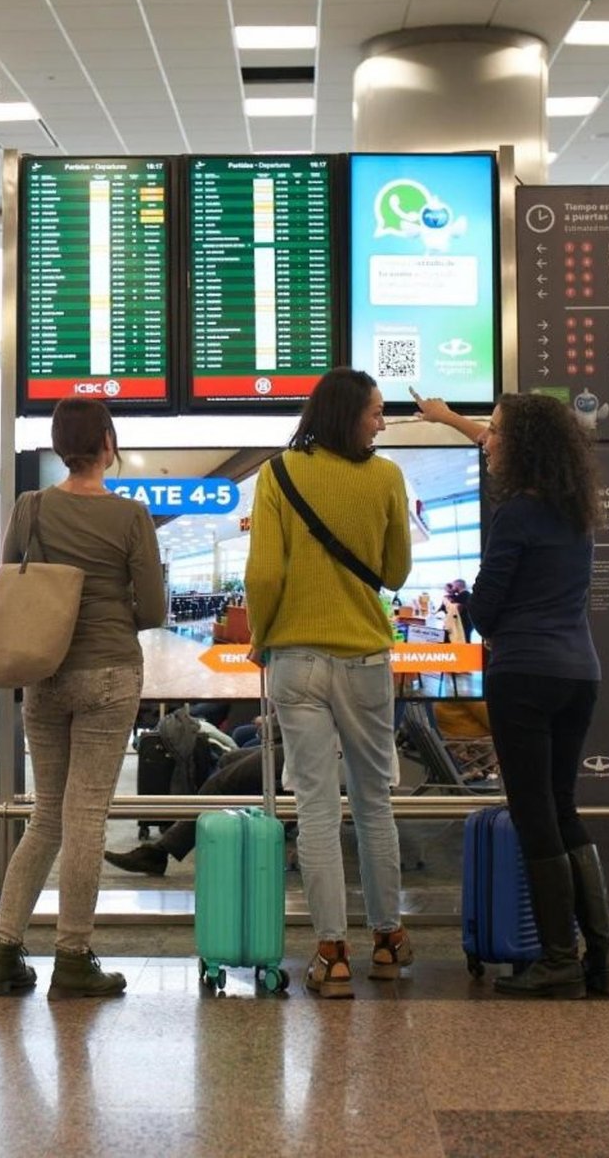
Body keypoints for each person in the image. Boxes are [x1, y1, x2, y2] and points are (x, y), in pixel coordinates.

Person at [420, 389, 609, 999]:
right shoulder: (574, 512)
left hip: (525, 676)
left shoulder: (517, 515)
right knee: (562, 809)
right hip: (579, 674)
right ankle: (603, 958)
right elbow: (489, 436)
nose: (490, 442)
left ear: (523, 445)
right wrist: (449, 419)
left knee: (534, 816)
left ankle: (559, 959)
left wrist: (462, 598)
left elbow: (488, 613)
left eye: (498, 433)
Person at [0, 398, 165, 1001]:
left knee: (47, 817)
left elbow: (11, 584)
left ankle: (3, 953)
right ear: (108, 442)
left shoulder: (31, 507)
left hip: (44, 674)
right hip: (108, 673)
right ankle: (73, 956)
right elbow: (153, 609)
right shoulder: (130, 516)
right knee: (85, 816)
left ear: (61, 446)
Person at [245, 368, 413, 999]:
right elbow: (395, 572)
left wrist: (262, 636)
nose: (382, 423)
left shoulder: (277, 474)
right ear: (348, 415)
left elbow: (264, 574)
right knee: (374, 804)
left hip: (296, 660)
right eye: (376, 412)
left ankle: (332, 954)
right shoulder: (387, 478)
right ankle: (388, 940)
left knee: (315, 808)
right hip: (366, 657)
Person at [103, 746, 284, 875]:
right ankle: (227, 835)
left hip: (297, 749)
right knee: (227, 759)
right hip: (288, 740)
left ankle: (159, 852)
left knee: (219, 784)